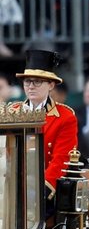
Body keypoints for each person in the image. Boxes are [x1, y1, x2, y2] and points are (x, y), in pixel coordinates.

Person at [12, 49, 78, 199]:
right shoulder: (12, 112)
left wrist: (42, 191)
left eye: (37, 81)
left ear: (51, 85)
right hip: (10, 182)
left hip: (42, 187)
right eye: (27, 81)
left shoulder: (65, 117)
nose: (31, 86)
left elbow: (61, 159)